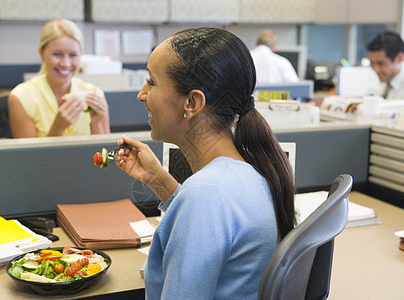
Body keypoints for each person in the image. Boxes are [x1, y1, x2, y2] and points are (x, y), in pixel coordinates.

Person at [114, 27, 296, 299]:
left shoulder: (206, 196)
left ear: (192, 102)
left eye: (151, 82)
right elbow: (216, 222)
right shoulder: (246, 170)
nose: (141, 95)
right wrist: (159, 181)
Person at [8, 19, 110, 138]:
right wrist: (58, 128)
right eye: (57, 54)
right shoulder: (21, 97)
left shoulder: (95, 94)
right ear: (41, 54)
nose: (65, 64)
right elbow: (28, 156)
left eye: (73, 55)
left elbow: (107, 154)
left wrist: (96, 123)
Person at [366, 31, 404, 100]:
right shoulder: (381, 81)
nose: (375, 69)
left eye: (380, 63)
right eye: (372, 63)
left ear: (399, 58)